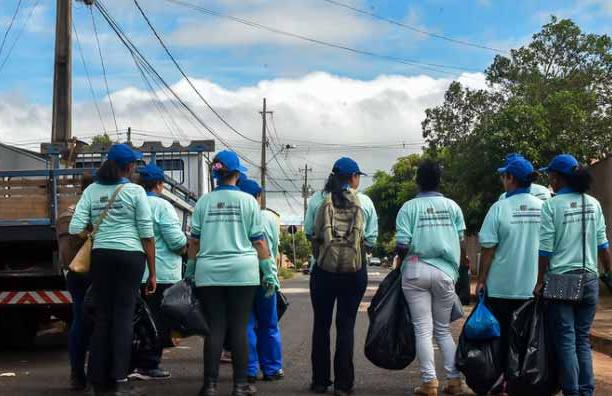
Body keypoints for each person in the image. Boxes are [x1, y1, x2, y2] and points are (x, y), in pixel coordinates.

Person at [186, 150, 278, 396]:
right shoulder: (248, 202)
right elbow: (259, 242)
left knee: (214, 328)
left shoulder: (203, 202)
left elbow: (194, 242)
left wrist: (190, 270)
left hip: (209, 273)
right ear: (236, 174)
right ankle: (240, 386)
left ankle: (210, 385)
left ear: (216, 175)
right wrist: (269, 272)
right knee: (238, 327)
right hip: (243, 273)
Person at [69, 144, 156, 396]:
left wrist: (94, 232)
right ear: (128, 167)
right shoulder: (135, 191)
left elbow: (75, 227)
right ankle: (118, 380)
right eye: (135, 164)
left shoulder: (92, 190)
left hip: (102, 257)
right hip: (131, 257)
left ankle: (98, 381)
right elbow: (146, 234)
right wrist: (152, 272)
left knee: (103, 318)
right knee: (123, 318)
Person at [535, 154, 611, 396]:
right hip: (589, 278)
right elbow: (602, 244)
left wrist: (539, 281)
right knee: (582, 340)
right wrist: (608, 272)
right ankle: (586, 391)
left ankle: (572, 391)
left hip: (561, 279)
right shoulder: (593, 204)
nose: (550, 180)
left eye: (551, 176)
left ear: (557, 178)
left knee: (566, 341)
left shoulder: (552, 205)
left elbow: (545, 249)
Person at [304, 157, 378, 396]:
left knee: (321, 325)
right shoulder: (364, 202)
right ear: (353, 177)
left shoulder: (318, 200)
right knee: (346, 325)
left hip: (323, 270)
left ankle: (320, 381)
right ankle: (344, 385)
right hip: (354, 272)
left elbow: (308, 233)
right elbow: (372, 240)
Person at [395, 160, 469, 396]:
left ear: (418, 181)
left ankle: (429, 383)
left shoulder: (408, 208)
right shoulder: (453, 207)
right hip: (446, 272)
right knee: (443, 330)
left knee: (423, 330)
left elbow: (403, 244)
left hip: (415, 270)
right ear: (439, 181)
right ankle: (454, 380)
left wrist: (399, 264)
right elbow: (461, 241)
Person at [477, 157, 544, 395]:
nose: (502, 180)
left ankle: (504, 384)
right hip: (533, 289)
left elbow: (488, 249)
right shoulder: (543, 207)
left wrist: (482, 279)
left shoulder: (499, 208)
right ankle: (524, 385)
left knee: (503, 340)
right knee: (528, 341)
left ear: (511, 178)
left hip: (501, 288)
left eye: (503, 176)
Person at [129, 163, 187, 381]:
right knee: (157, 322)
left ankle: (132, 363)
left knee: (136, 320)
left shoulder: (132, 203)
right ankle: (149, 364)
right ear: (160, 185)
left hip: (135, 270)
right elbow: (175, 241)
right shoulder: (162, 207)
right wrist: (186, 246)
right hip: (160, 273)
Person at [237, 177, 284, 383]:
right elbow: (272, 250)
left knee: (246, 323)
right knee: (269, 324)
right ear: (258, 197)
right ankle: (272, 369)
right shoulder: (269, 218)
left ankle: (249, 370)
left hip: (242, 276)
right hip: (266, 276)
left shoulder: (236, 215)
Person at [56, 173, 94, 391]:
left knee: (79, 320)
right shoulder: (88, 215)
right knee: (98, 322)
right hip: (91, 273)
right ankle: (96, 373)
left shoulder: (65, 214)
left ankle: (77, 374)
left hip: (74, 274)